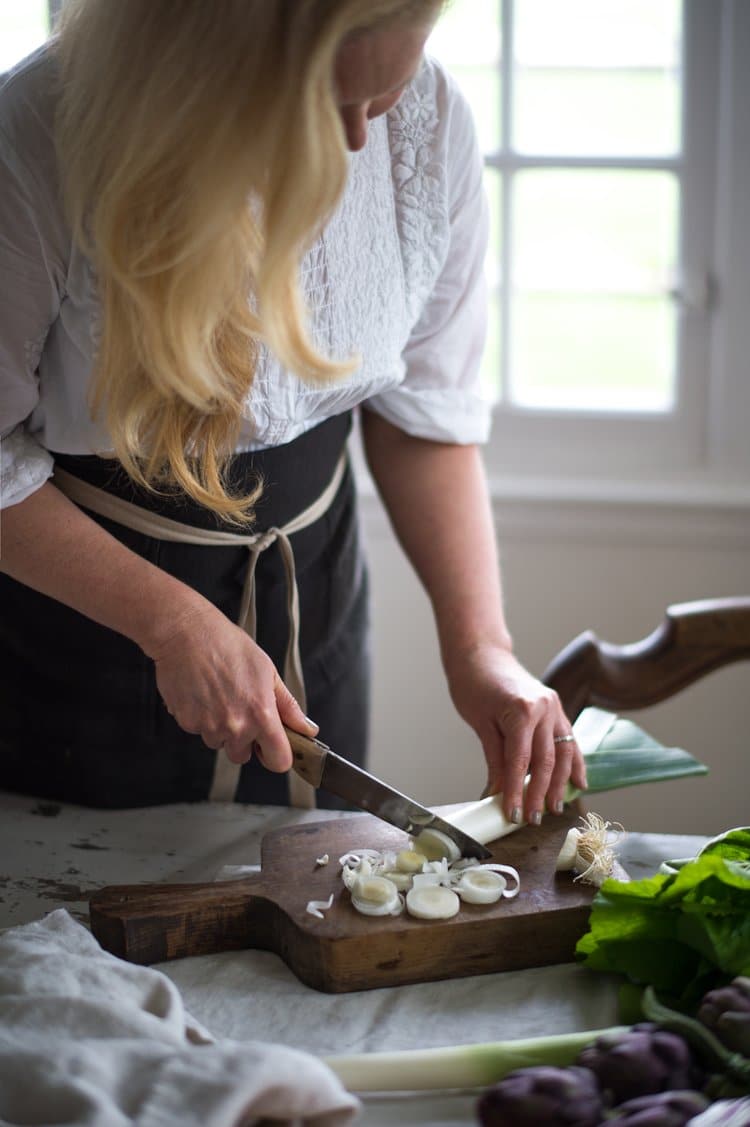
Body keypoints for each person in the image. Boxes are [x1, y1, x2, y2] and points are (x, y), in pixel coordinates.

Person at [0, 0, 586, 820]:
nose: (355, 140)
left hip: (313, 594)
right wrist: (170, 623)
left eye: (381, 93)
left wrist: (482, 651)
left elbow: (427, 414)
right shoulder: (37, 131)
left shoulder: (429, 123)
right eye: (321, 100)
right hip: (79, 632)